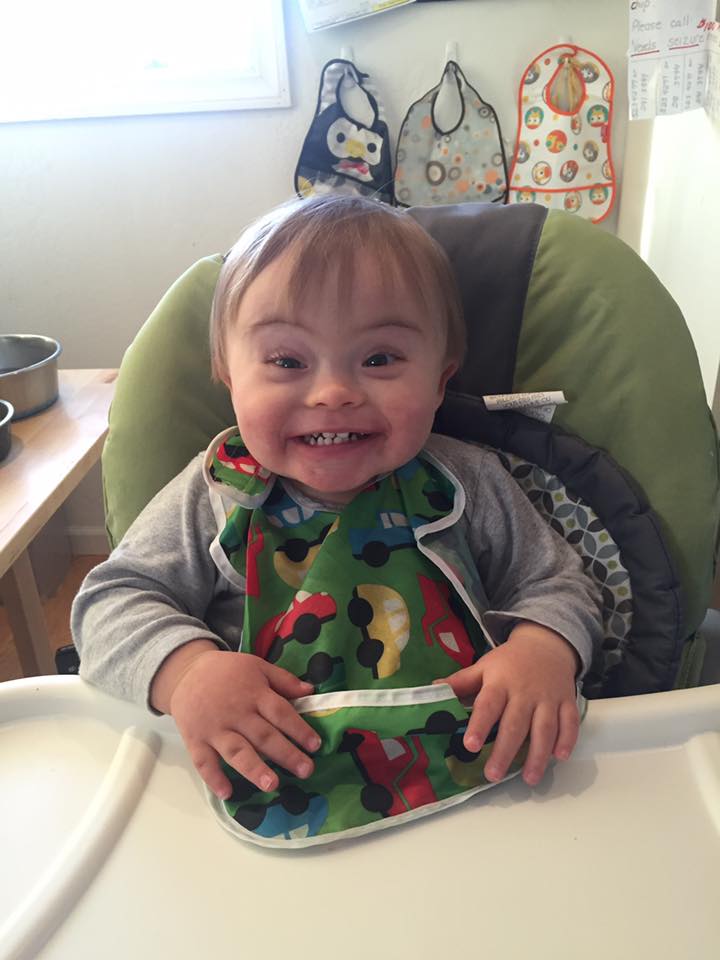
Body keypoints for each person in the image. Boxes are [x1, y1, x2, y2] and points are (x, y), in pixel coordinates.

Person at [72, 194, 603, 806]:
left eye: (379, 358)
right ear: (227, 374)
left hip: (470, 781)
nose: (333, 392)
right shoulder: (215, 495)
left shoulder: (467, 484)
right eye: (287, 360)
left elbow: (559, 582)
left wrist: (542, 649)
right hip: (264, 787)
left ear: (439, 379)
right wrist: (187, 672)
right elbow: (109, 602)